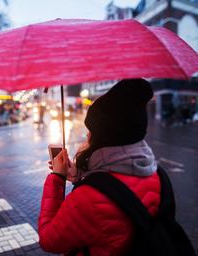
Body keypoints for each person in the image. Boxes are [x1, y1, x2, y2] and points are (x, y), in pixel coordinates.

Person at [38, 79, 160, 255]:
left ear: (105, 136)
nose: (87, 135)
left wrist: (57, 178)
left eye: (92, 130)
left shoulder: (88, 198)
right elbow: (117, 184)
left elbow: (49, 241)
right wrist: (80, 175)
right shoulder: (156, 174)